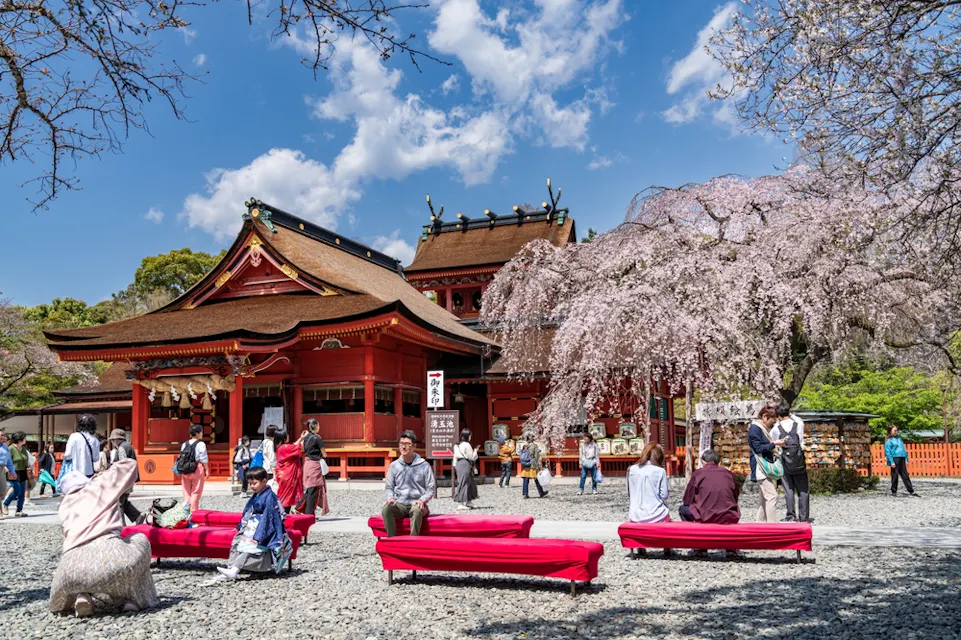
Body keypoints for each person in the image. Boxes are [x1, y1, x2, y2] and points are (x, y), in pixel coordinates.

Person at [49, 459, 158, 617]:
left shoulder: (65, 505)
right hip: (111, 557)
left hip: (68, 572)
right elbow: (130, 465)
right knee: (140, 539)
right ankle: (130, 599)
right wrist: (101, 475)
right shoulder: (98, 487)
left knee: (84, 568)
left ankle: (82, 595)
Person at [216, 466, 293, 580]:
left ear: (264, 481)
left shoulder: (270, 496)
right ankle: (231, 567)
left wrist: (261, 534)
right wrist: (240, 526)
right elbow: (248, 511)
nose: (252, 486)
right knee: (237, 542)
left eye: (254, 483)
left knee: (250, 546)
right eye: (250, 483)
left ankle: (235, 569)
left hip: (264, 527)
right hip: (253, 525)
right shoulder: (258, 495)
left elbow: (270, 516)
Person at [381, 430, 436, 537]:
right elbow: (389, 487)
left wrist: (422, 500)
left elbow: (431, 488)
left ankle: (412, 541)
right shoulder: (394, 466)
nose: (404, 447)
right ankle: (392, 540)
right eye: (401, 444)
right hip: (400, 504)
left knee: (416, 509)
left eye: (407, 444)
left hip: (417, 504)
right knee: (386, 508)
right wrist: (390, 498)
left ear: (414, 446)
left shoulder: (424, 465)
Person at [771, 403, 811, 522]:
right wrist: (791, 414)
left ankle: (790, 515)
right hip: (798, 459)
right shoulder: (798, 424)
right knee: (803, 489)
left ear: (778, 415)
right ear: (789, 413)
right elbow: (799, 422)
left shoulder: (775, 429)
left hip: (785, 461)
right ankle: (803, 517)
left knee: (788, 488)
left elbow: (775, 444)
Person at [681, 449, 741, 524]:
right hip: (728, 516)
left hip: (704, 516)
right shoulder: (729, 474)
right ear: (719, 463)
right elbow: (735, 495)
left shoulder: (698, 474)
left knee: (682, 509)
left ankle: (693, 533)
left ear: (703, 462)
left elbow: (687, 499)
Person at [748, 405, 784, 523]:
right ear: (764, 417)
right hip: (761, 468)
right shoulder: (755, 429)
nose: (772, 424)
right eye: (772, 421)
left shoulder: (759, 428)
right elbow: (758, 448)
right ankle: (771, 526)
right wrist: (774, 444)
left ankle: (760, 526)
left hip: (762, 468)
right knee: (772, 496)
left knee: (764, 499)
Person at [627, 443, 670, 523]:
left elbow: (629, 493)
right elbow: (664, 495)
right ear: (659, 457)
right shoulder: (660, 471)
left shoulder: (631, 469)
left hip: (635, 515)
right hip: (657, 515)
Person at [296, 419, 329, 515]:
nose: (319, 427)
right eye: (318, 425)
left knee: (311, 489)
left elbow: (302, 449)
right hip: (315, 465)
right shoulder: (317, 438)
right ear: (315, 426)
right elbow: (324, 453)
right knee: (313, 490)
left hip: (307, 464)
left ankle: (300, 508)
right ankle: (308, 513)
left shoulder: (306, 438)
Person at [108, 429, 142, 524]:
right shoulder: (129, 446)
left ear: (117, 439)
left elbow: (123, 465)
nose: (112, 442)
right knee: (124, 501)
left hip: (124, 480)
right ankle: (137, 516)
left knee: (119, 503)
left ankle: (122, 525)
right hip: (130, 479)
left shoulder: (122, 448)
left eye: (113, 440)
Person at [179, 424, 209, 512]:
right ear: (197, 433)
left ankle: (186, 511)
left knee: (186, 491)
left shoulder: (185, 444)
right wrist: (207, 469)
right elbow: (203, 458)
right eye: (201, 431)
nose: (202, 433)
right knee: (196, 492)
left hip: (185, 469)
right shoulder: (201, 444)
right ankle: (194, 512)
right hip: (196, 468)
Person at [274, 429, 304, 513]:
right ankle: (283, 514)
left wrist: (300, 438)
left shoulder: (280, 447)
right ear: (284, 438)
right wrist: (303, 439)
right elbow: (297, 447)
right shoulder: (285, 447)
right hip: (288, 475)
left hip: (283, 475)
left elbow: (293, 446)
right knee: (287, 496)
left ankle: (283, 513)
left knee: (285, 495)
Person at [63, 414, 100, 479]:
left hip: (74, 473)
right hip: (88, 473)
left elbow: (68, 455)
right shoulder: (95, 440)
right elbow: (96, 459)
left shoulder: (73, 436)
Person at [885, 426, 918, 497]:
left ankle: (911, 491)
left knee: (905, 475)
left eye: (897, 430)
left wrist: (906, 459)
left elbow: (904, 449)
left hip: (902, 457)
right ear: (890, 431)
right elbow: (888, 452)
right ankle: (894, 491)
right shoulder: (889, 441)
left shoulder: (900, 439)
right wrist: (891, 461)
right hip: (895, 458)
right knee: (895, 475)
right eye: (894, 430)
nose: (896, 432)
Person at [3, 432, 29, 517]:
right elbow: (6, 461)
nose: (25, 440)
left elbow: (26, 460)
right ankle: (6, 503)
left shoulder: (24, 449)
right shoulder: (10, 449)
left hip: (23, 472)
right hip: (13, 472)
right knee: (17, 490)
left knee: (22, 493)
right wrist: (8, 471)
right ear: (19, 439)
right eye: (24, 438)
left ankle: (19, 510)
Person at [452, 428, 480, 511]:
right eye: (470, 436)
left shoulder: (457, 445)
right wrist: (475, 450)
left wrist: (455, 465)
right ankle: (461, 503)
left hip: (459, 464)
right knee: (465, 482)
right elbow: (472, 457)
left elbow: (455, 457)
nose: (471, 437)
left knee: (468, 482)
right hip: (465, 464)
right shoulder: (467, 445)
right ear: (468, 436)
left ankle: (469, 501)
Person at [520, 432, 548, 499]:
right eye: (532, 437)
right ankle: (541, 492)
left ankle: (525, 494)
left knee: (526, 479)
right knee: (537, 479)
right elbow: (537, 456)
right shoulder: (534, 446)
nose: (533, 438)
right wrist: (539, 465)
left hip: (526, 464)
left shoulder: (524, 446)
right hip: (533, 465)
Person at [262, 424, 279, 492]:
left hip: (265, 467)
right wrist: (274, 471)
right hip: (270, 469)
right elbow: (272, 458)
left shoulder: (265, 441)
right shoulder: (271, 444)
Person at [0, 429, 12, 516]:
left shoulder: (5, 447)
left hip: (2, 469)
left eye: (3, 435)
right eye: (1, 435)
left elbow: (9, 461)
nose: (2, 437)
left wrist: (12, 471)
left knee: (3, 491)